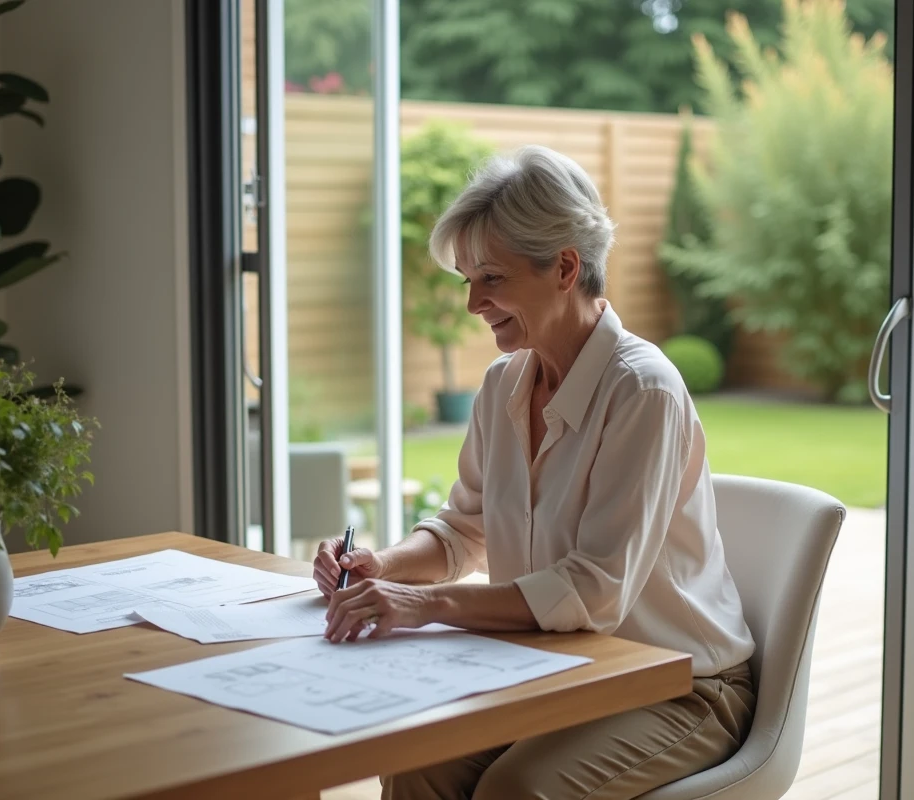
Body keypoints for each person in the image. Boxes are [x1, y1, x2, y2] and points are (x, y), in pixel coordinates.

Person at [314, 144, 756, 800]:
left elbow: (594, 591)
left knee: (518, 790)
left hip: (678, 684)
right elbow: (464, 530)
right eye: (467, 280)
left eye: (491, 278)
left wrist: (425, 605)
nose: (473, 303)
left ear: (565, 268)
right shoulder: (503, 385)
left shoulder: (643, 390)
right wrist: (385, 566)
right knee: (416, 759)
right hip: (555, 667)